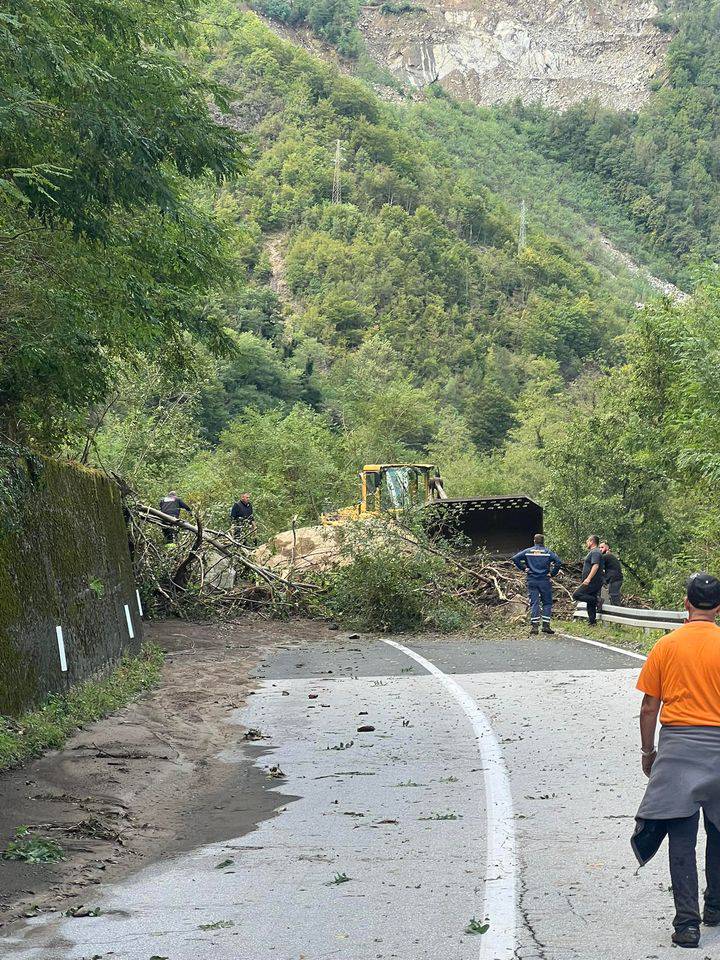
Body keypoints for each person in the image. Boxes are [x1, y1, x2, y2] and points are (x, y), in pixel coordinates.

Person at [631, 573, 720, 949]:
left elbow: (650, 706)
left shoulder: (666, 646)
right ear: (719, 608)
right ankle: (715, 907)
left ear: (686, 603)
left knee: (681, 836)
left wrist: (648, 752)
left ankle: (687, 926)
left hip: (679, 749)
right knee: (718, 830)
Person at [512, 533, 562, 635]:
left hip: (532, 580)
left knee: (535, 602)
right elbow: (558, 562)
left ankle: (534, 627)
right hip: (544, 580)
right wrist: (552, 573)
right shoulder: (547, 552)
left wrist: (524, 568)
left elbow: (515, 558)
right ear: (543, 542)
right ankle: (546, 626)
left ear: (534, 541)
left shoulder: (528, 551)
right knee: (547, 602)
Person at [572, 534, 604, 625]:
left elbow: (596, 565)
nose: (586, 543)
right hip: (594, 581)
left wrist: (588, 578)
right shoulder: (594, 552)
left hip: (593, 581)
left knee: (576, 595)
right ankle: (592, 622)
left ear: (591, 541)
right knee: (590, 602)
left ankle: (598, 600)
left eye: (587, 541)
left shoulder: (595, 552)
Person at [600, 541, 623, 605]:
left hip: (614, 579)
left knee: (614, 595)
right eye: (599, 547)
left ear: (607, 548)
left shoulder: (606, 556)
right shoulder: (610, 556)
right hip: (616, 579)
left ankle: (617, 612)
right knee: (613, 595)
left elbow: (599, 568)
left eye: (602, 547)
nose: (600, 549)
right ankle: (615, 610)